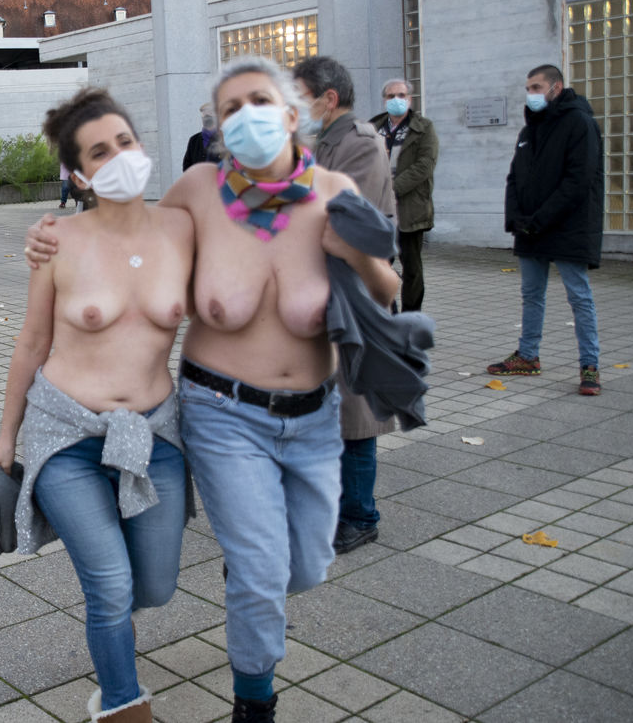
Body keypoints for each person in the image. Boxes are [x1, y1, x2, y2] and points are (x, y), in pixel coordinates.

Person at [26, 57, 399, 722]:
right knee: (255, 569)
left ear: (292, 113)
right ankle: (253, 703)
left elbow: (388, 290)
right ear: (218, 129)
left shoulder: (335, 189)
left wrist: (358, 254)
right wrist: (51, 239)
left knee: (303, 567)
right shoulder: (199, 191)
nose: (246, 117)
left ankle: (251, 574)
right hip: (220, 410)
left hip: (313, 418)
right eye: (230, 109)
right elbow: (130, 231)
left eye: (260, 101)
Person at [0, 88, 191, 723]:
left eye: (125, 141)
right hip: (66, 434)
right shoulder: (56, 239)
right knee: (109, 582)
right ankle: (122, 704)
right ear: (78, 175)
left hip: (155, 434)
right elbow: (32, 341)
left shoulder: (184, 228)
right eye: (100, 152)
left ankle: (116, 634)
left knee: (154, 585)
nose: (119, 157)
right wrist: (6, 438)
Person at [292, 54, 398, 556]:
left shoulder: (360, 143)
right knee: (335, 409)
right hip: (330, 293)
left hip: (356, 295)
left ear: (328, 98)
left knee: (356, 418)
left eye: (300, 97)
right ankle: (336, 509)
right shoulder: (327, 141)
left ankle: (361, 516)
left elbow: (341, 219)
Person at [489, 63, 604, 396]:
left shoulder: (579, 122)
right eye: (528, 89)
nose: (531, 94)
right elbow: (515, 177)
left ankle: (590, 366)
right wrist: (515, 218)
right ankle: (527, 356)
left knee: (579, 297)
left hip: (567, 227)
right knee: (531, 294)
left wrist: (541, 218)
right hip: (530, 228)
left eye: (537, 88)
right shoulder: (530, 129)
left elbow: (579, 180)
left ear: (556, 87)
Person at [368, 79, 438, 313]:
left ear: (409, 99)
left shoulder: (423, 128)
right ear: (384, 100)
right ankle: (386, 311)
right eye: (390, 96)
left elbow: (425, 165)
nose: (395, 100)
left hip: (409, 208)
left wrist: (393, 188)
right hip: (379, 209)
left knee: (412, 268)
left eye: (401, 95)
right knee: (378, 265)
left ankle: (411, 316)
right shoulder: (373, 127)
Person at [181, 102, 221, 171]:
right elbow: (187, 165)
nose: (206, 119)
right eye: (204, 116)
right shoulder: (194, 140)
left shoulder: (225, 139)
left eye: (209, 115)